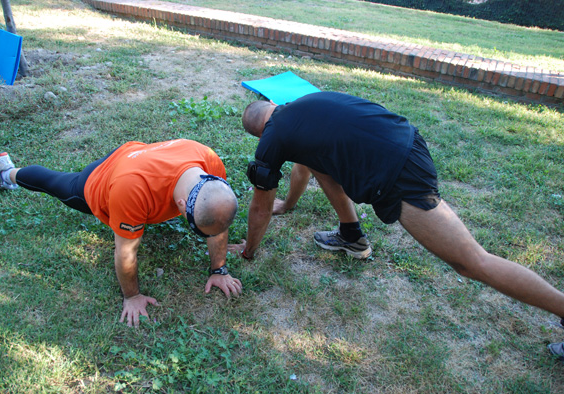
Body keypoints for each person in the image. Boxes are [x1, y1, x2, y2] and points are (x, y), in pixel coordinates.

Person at [228, 92, 564, 358]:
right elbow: (305, 165)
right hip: (406, 141)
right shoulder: (303, 108)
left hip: (398, 172)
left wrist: (248, 249)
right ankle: (352, 236)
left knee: (472, 262)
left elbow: (260, 207)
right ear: (272, 105)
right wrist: (290, 204)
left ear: (260, 131)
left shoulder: (273, 137)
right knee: (321, 163)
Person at [0, 139, 243, 327]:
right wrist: (131, 297)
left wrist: (219, 269)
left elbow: (218, 217)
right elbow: (125, 253)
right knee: (59, 184)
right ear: (179, 206)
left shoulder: (209, 162)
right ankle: (5, 172)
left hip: (136, 155)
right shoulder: (131, 191)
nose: (212, 236)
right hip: (104, 178)